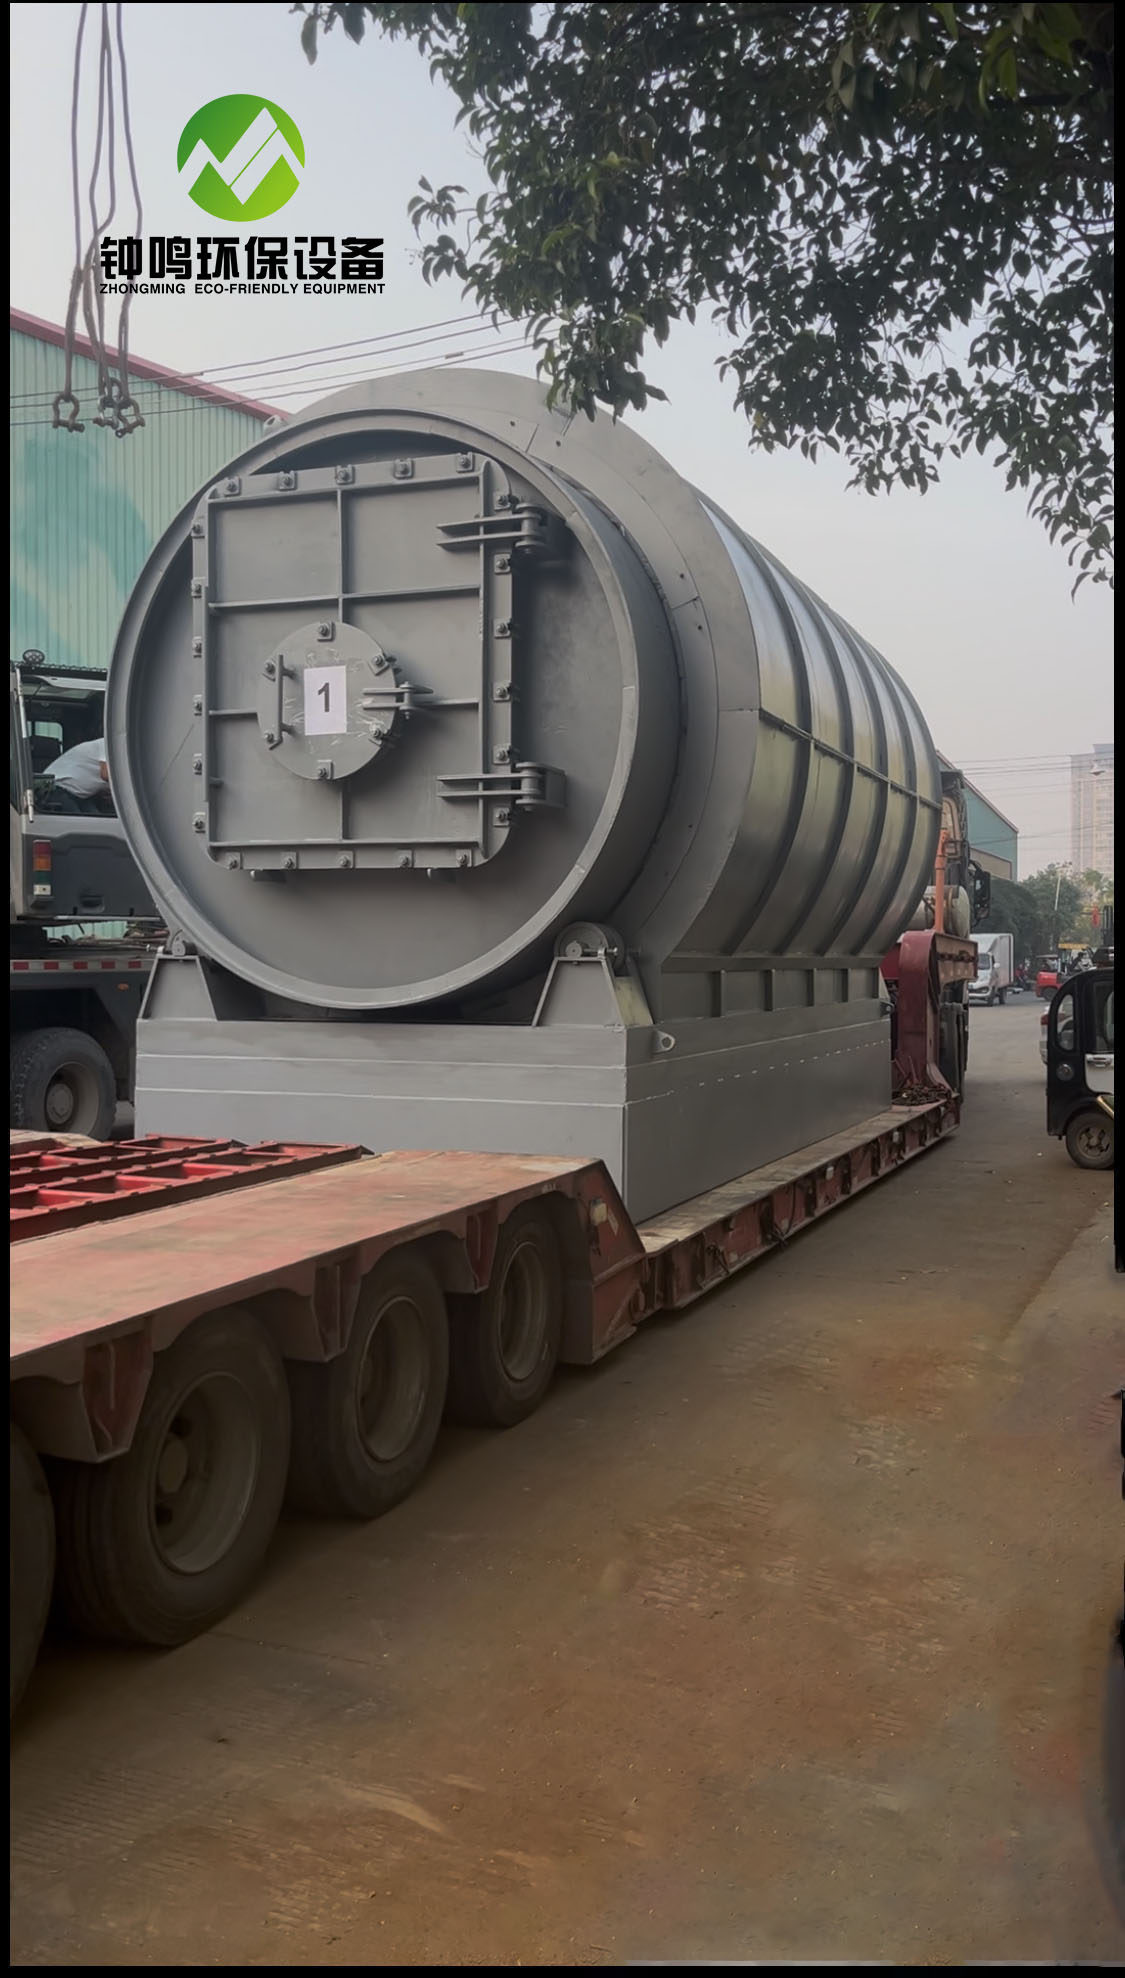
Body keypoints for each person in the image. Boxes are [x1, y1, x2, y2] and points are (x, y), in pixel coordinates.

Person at [38, 737, 113, 815]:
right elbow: (105, 774)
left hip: (82, 796)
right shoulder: (107, 743)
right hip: (57, 789)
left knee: (97, 820)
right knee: (78, 821)